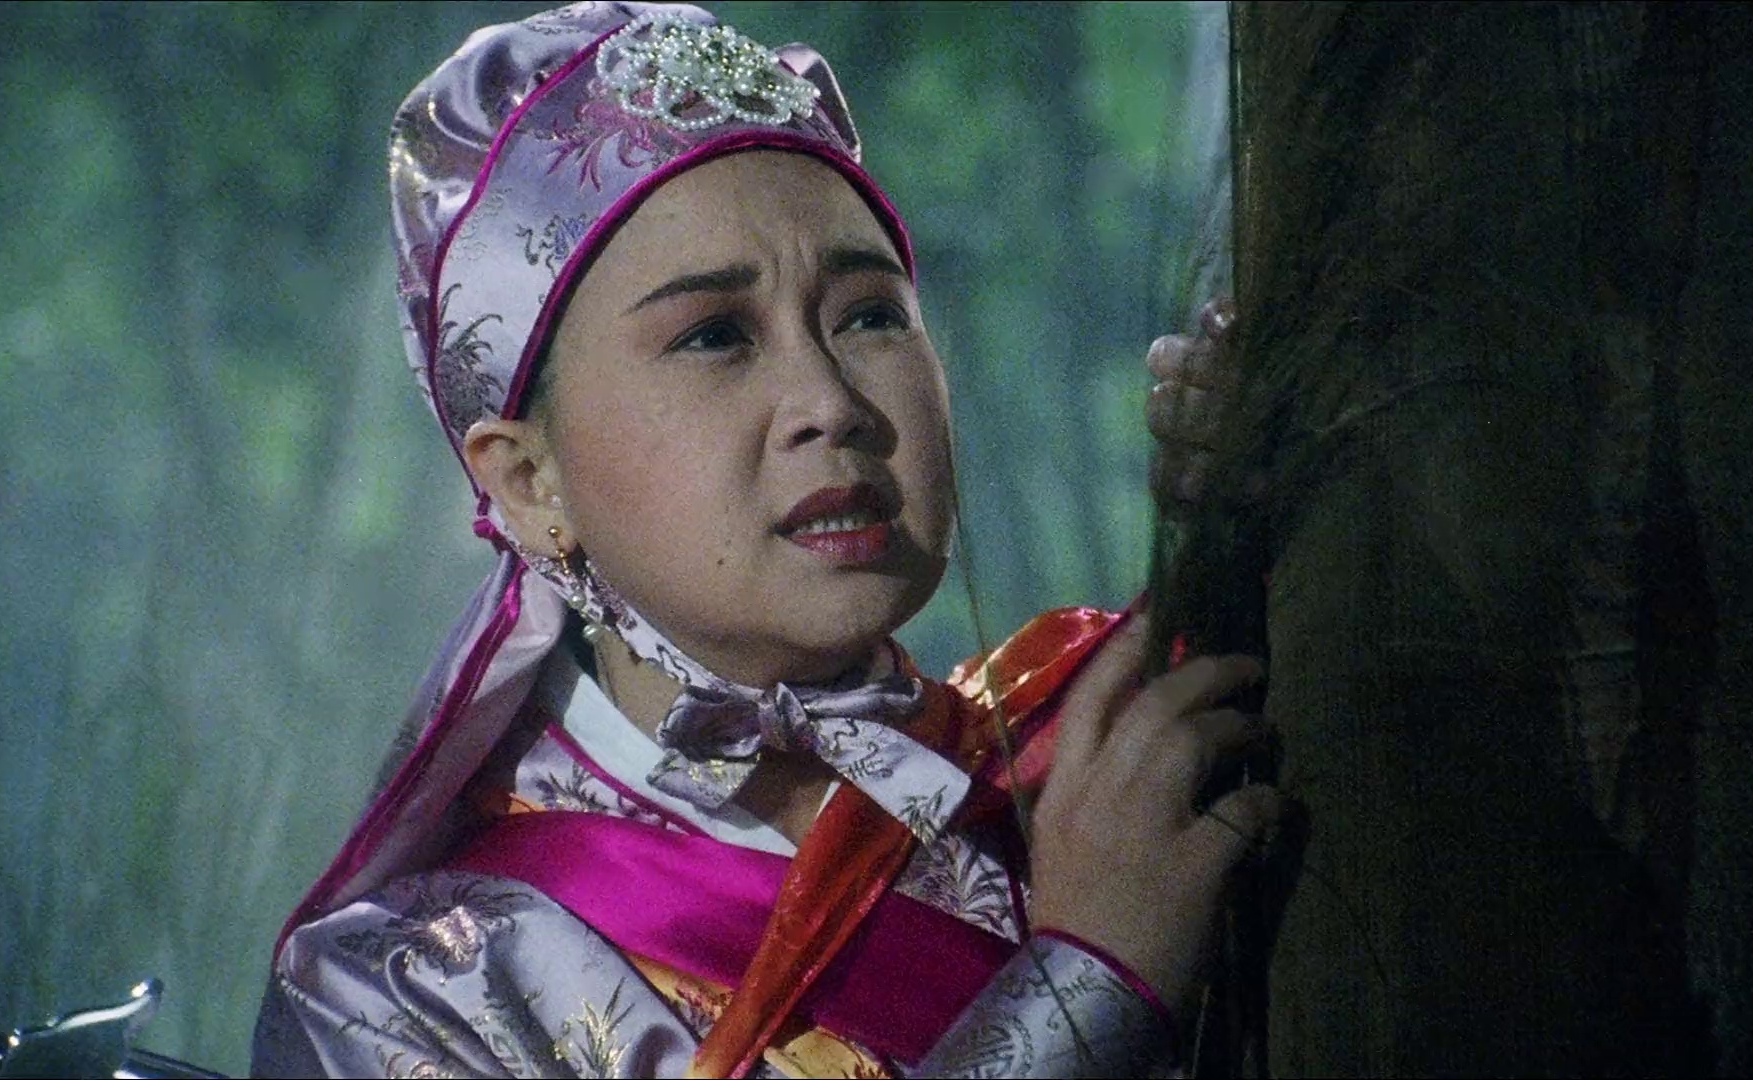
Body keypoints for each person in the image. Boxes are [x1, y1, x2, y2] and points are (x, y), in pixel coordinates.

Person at [249, 5, 1274, 1077]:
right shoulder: (405, 993)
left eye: (871, 315)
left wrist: (1267, 519)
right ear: (528, 480)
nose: (829, 403)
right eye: (714, 336)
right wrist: (1089, 986)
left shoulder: (1099, 759)